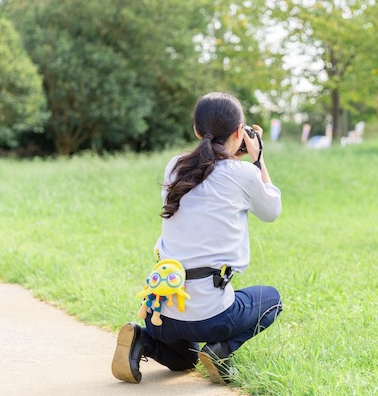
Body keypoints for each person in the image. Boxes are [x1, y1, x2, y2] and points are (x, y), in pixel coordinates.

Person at [111, 92, 283, 385]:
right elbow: (271, 210)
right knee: (271, 300)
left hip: (163, 313)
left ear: (195, 130)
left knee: (183, 360)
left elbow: (210, 171)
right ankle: (220, 350)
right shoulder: (244, 174)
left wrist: (232, 157)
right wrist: (258, 158)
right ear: (241, 132)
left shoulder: (175, 166)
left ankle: (144, 340)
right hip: (212, 315)